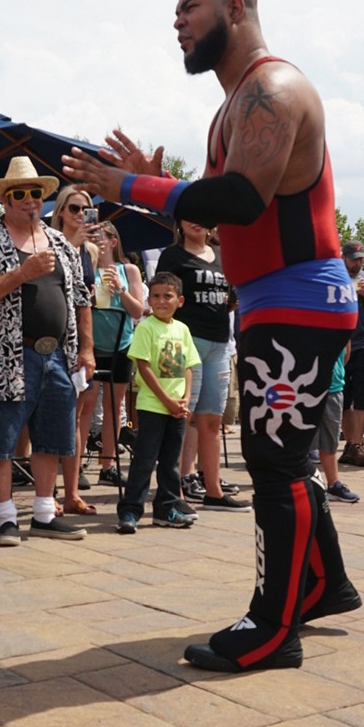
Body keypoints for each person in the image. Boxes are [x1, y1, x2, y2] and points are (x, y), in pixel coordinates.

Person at [64, 0, 361, 672]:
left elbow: (240, 201)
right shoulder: (231, 107)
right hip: (273, 300)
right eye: (176, 12)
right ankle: (323, 585)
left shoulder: (272, 88)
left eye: (189, 8)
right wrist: (158, 190)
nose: (178, 22)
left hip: (299, 300)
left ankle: (271, 627)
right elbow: (220, 215)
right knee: (280, 459)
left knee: (274, 462)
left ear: (236, 5)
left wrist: (137, 184)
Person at [0, 156, 95, 546]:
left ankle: (42, 513)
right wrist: (23, 272)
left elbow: (82, 298)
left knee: (52, 436)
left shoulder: (59, 243)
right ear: (6, 199)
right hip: (8, 356)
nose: (29, 200)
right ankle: (5, 519)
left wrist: (86, 349)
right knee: (0, 437)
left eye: (35, 192)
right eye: (19, 193)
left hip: (59, 356)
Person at [157, 213, 248, 510]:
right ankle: (174, 494)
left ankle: (213, 492)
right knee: (179, 417)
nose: (197, 221)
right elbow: (160, 298)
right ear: (179, 222)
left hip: (219, 344)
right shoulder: (171, 256)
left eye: (204, 216)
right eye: (189, 216)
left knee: (212, 419)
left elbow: (232, 296)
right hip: (182, 343)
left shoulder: (223, 255)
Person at [117, 272, 198, 533]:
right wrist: (166, 400)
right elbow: (143, 366)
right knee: (144, 460)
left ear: (180, 300)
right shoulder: (146, 327)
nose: (161, 301)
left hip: (177, 409)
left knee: (171, 463)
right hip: (153, 406)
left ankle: (166, 509)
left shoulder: (182, 329)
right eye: (155, 296)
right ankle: (130, 511)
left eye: (168, 296)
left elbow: (188, 366)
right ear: (149, 299)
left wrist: (185, 399)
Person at [48, 185, 99, 515]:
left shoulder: (90, 251)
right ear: (62, 211)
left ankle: (71, 491)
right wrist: (74, 244)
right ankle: (47, 490)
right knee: (51, 417)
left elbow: (86, 301)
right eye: (75, 207)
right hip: (50, 338)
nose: (81, 214)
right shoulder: (48, 243)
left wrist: (88, 347)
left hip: (77, 342)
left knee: (78, 417)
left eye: (86, 209)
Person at [89, 221, 144, 487]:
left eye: (99, 236)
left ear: (113, 241)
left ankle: (107, 464)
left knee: (115, 405)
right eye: (91, 236)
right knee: (85, 406)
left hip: (120, 344)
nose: (95, 240)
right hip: (90, 344)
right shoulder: (85, 268)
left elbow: (137, 312)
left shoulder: (128, 269)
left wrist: (120, 290)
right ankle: (74, 465)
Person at [338, 242, 364, 467]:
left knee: (363, 396)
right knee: (342, 397)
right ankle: (350, 444)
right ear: (343, 257)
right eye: (354, 258)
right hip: (338, 346)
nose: (358, 263)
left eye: (361, 259)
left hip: (362, 345)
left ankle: (357, 444)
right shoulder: (334, 276)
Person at [315, 348, 359, 503]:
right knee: (303, 442)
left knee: (330, 441)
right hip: (306, 388)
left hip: (334, 388)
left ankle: (333, 485)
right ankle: (298, 484)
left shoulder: (341, 326)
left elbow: (346, 354)